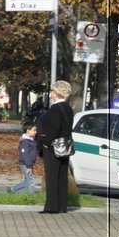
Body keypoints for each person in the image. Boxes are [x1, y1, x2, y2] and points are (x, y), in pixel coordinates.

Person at [36, 80, 76, 214]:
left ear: (58, 92)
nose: (51, 93)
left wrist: (45, 142)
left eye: (52, 91)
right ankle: (62, 206)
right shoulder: (68, 108)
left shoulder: (55, 109)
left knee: (52, 177)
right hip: (65, 146)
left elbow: (52, 129)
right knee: (62, 176)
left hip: (53, 147)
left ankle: (51, 206)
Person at [13, 121, 39, 194]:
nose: (36, 132)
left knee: (27, 180)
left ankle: (12, 189)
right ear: (28, 131)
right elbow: (25, 155)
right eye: (34, 130)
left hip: (29, 164)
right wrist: (29, 166)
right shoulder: (24, 142)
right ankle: (31, 196)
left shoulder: (32, 140)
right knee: (30, 180)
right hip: (25, 164)